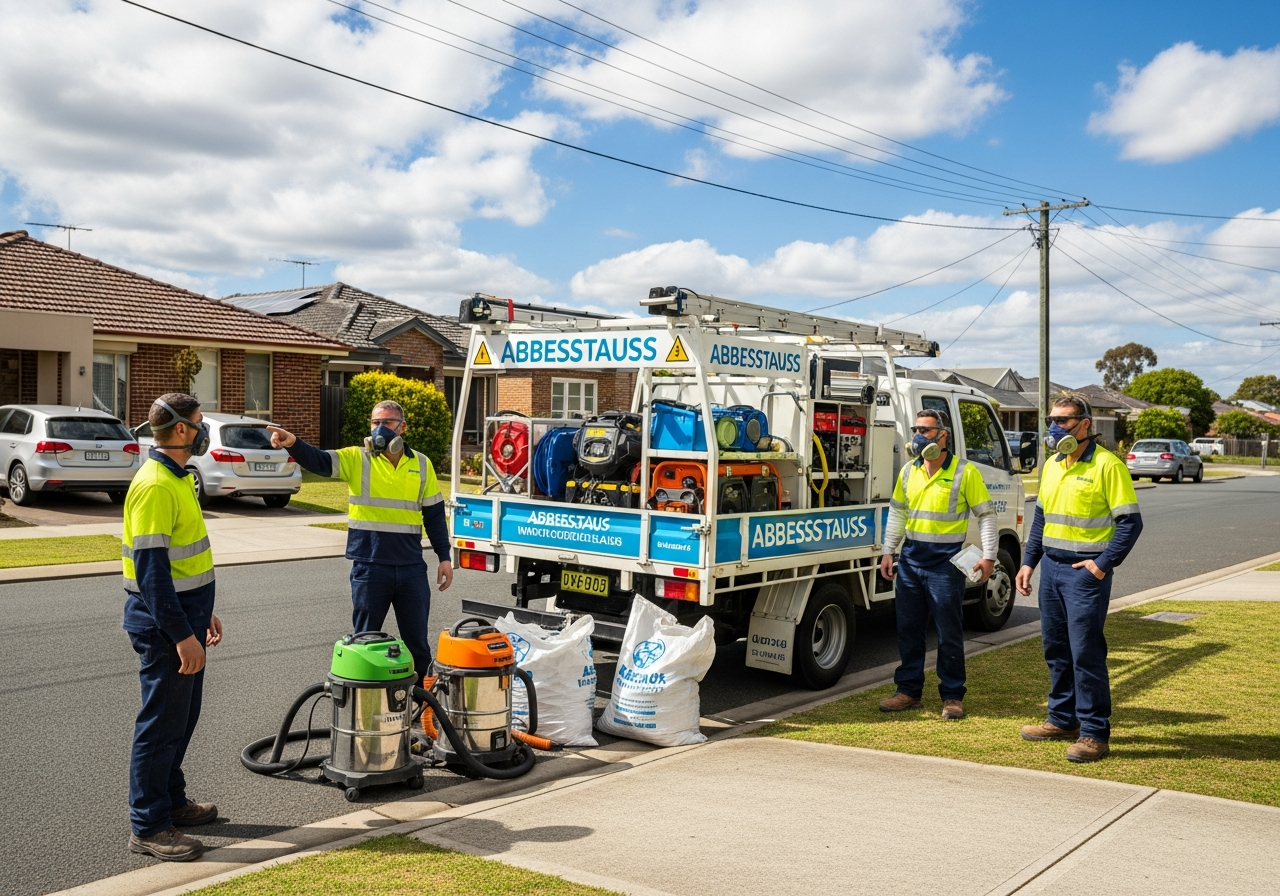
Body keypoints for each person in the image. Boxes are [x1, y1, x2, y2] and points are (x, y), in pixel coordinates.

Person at [268, 400, 452, 685]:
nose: (380, 428)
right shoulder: (357, 458)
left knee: (417, 646)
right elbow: (319, 461)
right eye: (375, 422)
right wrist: (293, 442)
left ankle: (420, 705)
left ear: (402, 427)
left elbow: (434, 515)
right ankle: (367, 706)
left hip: (411, 568)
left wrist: (444, 556)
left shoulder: (422, 464)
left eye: (387, 422)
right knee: (364, 643)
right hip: (370, 566)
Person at [123, 393, 223, 862]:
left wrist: (203, 616)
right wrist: (183, 635)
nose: (204, 431)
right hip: (165, 629)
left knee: (180, 721)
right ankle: (148, 826)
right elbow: (152, 575)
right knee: (161, 726)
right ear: (182, 429)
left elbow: (185, 562)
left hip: (186, 618)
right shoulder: (157, 485)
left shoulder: (178, 478)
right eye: (200, 423)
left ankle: (172, 801)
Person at [1015, 395, 1142, 763]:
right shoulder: (1052, 465)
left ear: (1086, 424)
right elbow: (1041, 519)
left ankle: (1094, 733)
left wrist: (1101, 565)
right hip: (1052, 571)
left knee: (1085, 653)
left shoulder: (1108, 465)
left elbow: (1130, 523)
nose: (1056, 428)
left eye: (1064, 421)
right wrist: (1028, 563)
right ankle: (1062, 720)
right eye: (1052, 420)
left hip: (1084, 576)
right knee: (1056, 649)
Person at [878, 408, 998, 720]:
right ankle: (908, 692)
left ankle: (952, 696)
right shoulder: (909, 471)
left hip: (946, 565)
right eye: (916, 430)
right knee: (909, 630)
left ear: (942, 435)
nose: (919, 436)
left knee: (948, 632)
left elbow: (986, 515)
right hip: (911, 560)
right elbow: (898, 513)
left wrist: (989, 555)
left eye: (926, 430)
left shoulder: (964, 472)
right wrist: (889, 551)